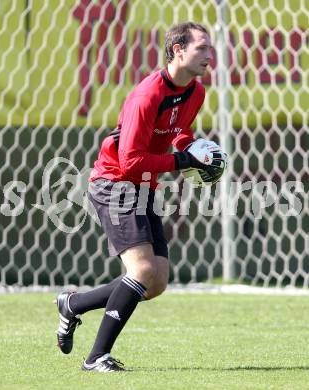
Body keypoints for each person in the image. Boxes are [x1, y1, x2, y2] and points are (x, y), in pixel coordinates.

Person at [55, 21, 225, 372]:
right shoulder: (147, 95)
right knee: (142, 269)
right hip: (114, 181)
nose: (210, 56)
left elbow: (181, 132)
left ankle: (73, 304)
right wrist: (183, 161)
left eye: (209, 49)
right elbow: (130, 161)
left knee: (156, 281)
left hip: (143, 184)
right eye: (202, 48)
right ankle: (96, 358)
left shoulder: (196, 92)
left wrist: (196, 149)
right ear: (178, 50)